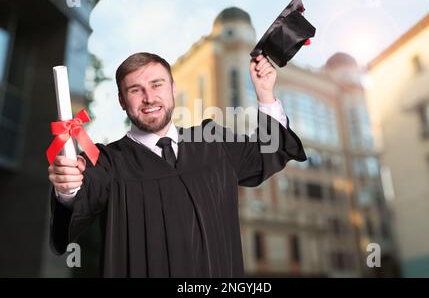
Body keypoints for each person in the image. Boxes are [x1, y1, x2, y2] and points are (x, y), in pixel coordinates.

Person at [48, 52, 307, 277]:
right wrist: (67, 189)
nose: (149, 98)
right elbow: (80, 196)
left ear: (173, 89)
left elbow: (268, 152)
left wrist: (264, 93)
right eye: (135, 90)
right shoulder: (107, 162)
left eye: (157, 85)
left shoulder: (214, 142)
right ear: (122, 101)